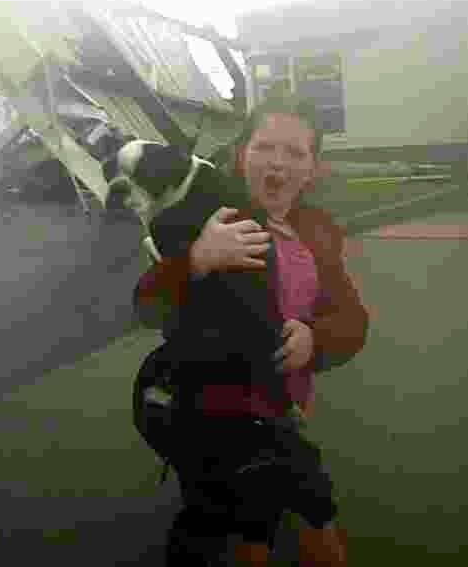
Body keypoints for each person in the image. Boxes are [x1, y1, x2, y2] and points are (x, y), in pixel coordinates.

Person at [132, 95, 368, 566]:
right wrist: (197, 260)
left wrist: (316, 339)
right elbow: (147, 304)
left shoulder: (317, 233)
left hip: (280, 408)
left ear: (313, 167)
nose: (277, 164)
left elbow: (351, 319)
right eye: (265, 148)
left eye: (295, 153)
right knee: (252, 525)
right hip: (206, 410)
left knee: (268, 520)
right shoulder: (206, 219)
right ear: (242, 155)